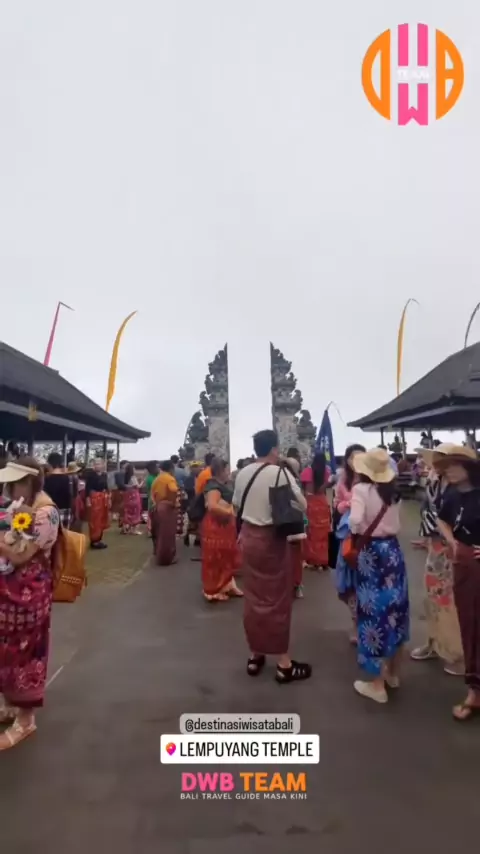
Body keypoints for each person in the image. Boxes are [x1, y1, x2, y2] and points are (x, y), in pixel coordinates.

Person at [233, 429, 311, 684]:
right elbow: (302, 504)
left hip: (248, 538)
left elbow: (236, 505)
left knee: (254, 597)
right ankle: (284, 663)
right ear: (275, 449)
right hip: (271, 540)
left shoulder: (243, 473)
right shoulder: (280, 473)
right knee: (277, 600)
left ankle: (255, 654)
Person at [0, 458, 60, 749]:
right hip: (10, 592)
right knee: (7, 649)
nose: (8, 489)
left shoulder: (45, 513)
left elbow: (21, 556)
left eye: (13, 483)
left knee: (27, 652)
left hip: (30, 593)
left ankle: (26, 719)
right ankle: (11, 704)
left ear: (28, 482)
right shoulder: (22, 507)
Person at [349, 448, 409, 704]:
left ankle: (377, 684)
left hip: (371, 554)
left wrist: (354, 526)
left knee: (372, 612)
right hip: (393, 551)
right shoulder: (393, 492)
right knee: (396, 609)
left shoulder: (361, 490)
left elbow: (354, 521)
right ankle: (393, 674)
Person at [410, 445, 464, 675]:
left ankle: (456, 653)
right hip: (436, 547)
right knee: (432, 597)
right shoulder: (438, 482)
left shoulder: (459, 489)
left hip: (451, 549)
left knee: (449, 601)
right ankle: (435, 642)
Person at [436, 446, 480, 721]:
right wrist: (452, 540)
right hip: (464, 562)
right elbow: (442, 518)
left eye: (454, 465)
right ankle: (475, 690)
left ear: (469, 468)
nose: (449, 471)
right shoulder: (452, 493)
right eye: (446, 466)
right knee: (469, 624)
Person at [333, 443, 366, 642]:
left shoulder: (371, 480)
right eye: (353, 457)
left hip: (367, 533)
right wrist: (348, 503)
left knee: (366, 580)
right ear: (347, 460)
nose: (357, 461)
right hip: (347, 535)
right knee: (349, 581)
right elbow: (337, 505)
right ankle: (355, 623)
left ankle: (367, 624)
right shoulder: (343, 481)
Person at [201, 458, 242, 601]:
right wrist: (230, 511)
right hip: (216, 527)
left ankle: (228, 585)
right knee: (216, 558)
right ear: (221, 470)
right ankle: (213, 590)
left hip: (224, 526)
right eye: (227, 469)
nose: (229, 472)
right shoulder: (213, 487)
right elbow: (212, 506)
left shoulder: (222, 484)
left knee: (226, 556)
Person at [301, 452, 331, 572]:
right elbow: (322, 489)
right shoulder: (326, 472)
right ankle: (323, 560)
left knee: (311, 533)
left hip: (310, 504)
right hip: (323, 503)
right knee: (323, 534)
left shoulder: (307, 472)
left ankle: (313, 560)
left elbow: (307, 491)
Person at [150, 460, 178, 565]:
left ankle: (158, 555)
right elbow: (174, 490)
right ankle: (166, 558)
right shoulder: (169, 479)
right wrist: (173, 502)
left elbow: (152, 495)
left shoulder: (157, 479)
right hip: (166, 507)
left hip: (157, 507)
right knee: (167, 534)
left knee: (158, 533)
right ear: (171, 468)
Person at [84, 458, 110, 549]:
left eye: (99, 463)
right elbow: (87, 488)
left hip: (103, 498)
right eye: (95, 464)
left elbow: (106, 487)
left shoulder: (104, 475)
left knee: (102, 518)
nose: (97, 465)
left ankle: (99, 539)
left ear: (103, 465)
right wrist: (88, 499)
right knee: (95, 519)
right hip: (94, 498)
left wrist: (108, 498)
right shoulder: (90, 475)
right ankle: (94, 540)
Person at [44, 452, 74, 528]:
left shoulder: (47, 479)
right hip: (66, 510)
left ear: (50, 464)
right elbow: (70, 495)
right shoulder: (67, 478)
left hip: (51, 510)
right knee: (64, 533)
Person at [121, 463, 142, 534]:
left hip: (127, 496)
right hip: (134, 496)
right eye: (134, 468)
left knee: (127, 511)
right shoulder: (133, 477)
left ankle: (125, 528)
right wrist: (142, 481)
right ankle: (134, 530)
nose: (135, 470)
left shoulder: (125, 477)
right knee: (136, 512)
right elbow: (137, 486)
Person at [144, 461, 159, 537]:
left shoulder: (157, 476)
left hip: (156, 499)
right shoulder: (150, 478)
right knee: (151, 515)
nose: (159, 468)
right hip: (153, 499)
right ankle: (150, 530)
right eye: (157, 467)